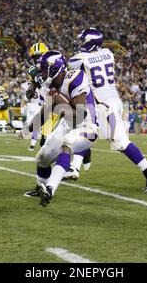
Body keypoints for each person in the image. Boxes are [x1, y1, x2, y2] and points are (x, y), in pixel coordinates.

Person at [66, 28, 147, 192]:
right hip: (112, 99)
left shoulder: (79, 59)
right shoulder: (108, 53)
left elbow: (74, 80)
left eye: (83, 41)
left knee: (120, 142)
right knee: (86, 130)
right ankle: (74, 167)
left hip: (102, 104)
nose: (80, 43)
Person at [19, 51, 97, 207]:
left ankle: (50, 188)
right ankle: (41, 187)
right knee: (42, 157)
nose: (41, 73)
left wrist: (59, 105)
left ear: (54, 69)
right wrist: (28, 129)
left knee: (66, 145)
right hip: (67, 124)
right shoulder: (52, 86)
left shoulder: (76, 78)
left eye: (43, 70)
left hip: (87, 125)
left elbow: (80, 115)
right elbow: (45, 112)